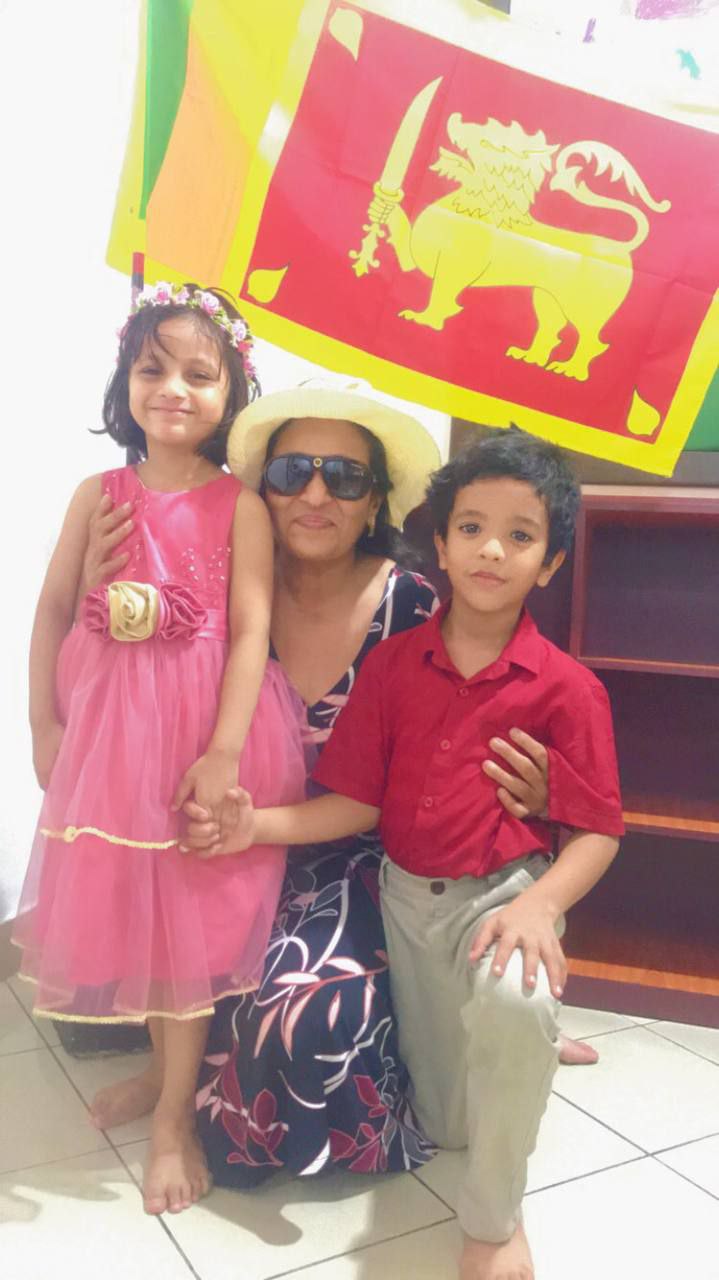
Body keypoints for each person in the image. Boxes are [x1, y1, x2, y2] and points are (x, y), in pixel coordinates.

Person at [192, 427, 624, 1280]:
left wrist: (538, 905)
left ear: (548, 563)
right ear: (440, 543)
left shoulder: (569, 689)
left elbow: (599, 828)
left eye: (519, 535)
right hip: (400, 903)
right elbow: (353, 802)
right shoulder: (391, 667)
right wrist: (255, 826)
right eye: (470, 528)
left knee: (517, 1002)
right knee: (443, 1114)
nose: (491, 549)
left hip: (501, 898)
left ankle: (495, 1221)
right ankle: (515, 1062)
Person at [12, 283, 306, 1217]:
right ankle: (157, 1074)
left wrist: (222, 754)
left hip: (200, 731)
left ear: (231, 394)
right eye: (151, 368)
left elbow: (252, 629)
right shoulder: (96, 494)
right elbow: (52, 613)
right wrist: (44, 726)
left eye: (197, 372)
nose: (171, 387)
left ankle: (175, 1113)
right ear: (124, 383)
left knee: (189, 912)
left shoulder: (240, 504)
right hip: (108, 731)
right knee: (139, 910)